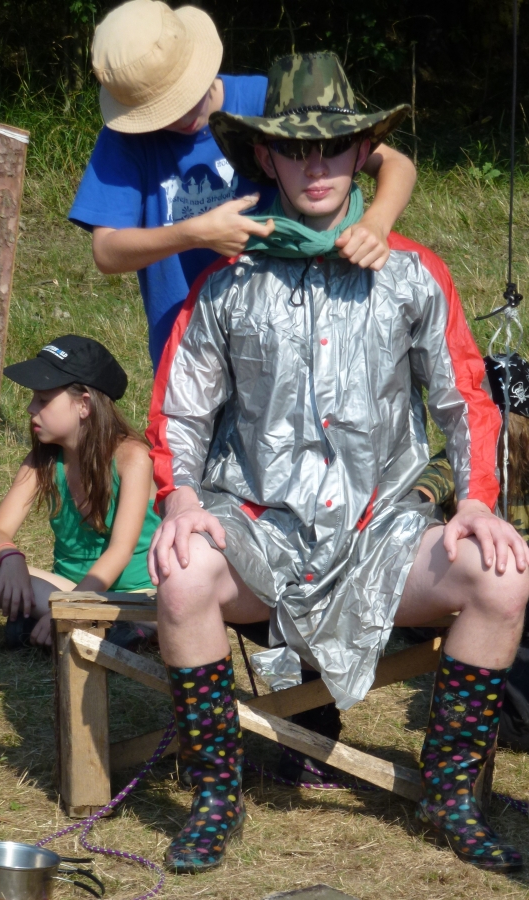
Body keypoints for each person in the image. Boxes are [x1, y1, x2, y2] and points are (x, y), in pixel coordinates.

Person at [146, 52, 529, 874]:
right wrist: (180, 500)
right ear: (266, 157)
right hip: (261, 535)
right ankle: (215, 797)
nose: (315, 167)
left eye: (333, 147)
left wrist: (477, 502)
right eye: (296, 150)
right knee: (181, 574)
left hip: (383, 537)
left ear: (363, 152)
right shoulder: (227, 284)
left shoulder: (412, 274)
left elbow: (466, 399)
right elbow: (179, 412)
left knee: (502, 576)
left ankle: (452, 796)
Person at [69, 0, 418, 370]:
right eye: (160, 110)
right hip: (190, 353)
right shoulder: (126, 140)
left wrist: (376, 223)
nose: (182, 114)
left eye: (184, 96)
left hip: (287, 342)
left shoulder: (268, 102)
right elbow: (107, 252)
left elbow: (396, 164)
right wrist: (193, 234)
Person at [0, 335, 159, 647]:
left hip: (135, 596)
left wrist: (70, 608)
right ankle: (90, 629)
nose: (30, 408)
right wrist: (10, 557)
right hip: (66, 589)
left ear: (83, 405)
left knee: (155, 610)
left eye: (43, 400)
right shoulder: (43, 460)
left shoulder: (132, 458)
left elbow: (120, 551)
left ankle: (94, 625)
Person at [416, 352, 529, 752]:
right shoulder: (467, 460)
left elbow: (427, 486)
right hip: (482, 591)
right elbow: (428, 484)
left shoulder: (488, 457)